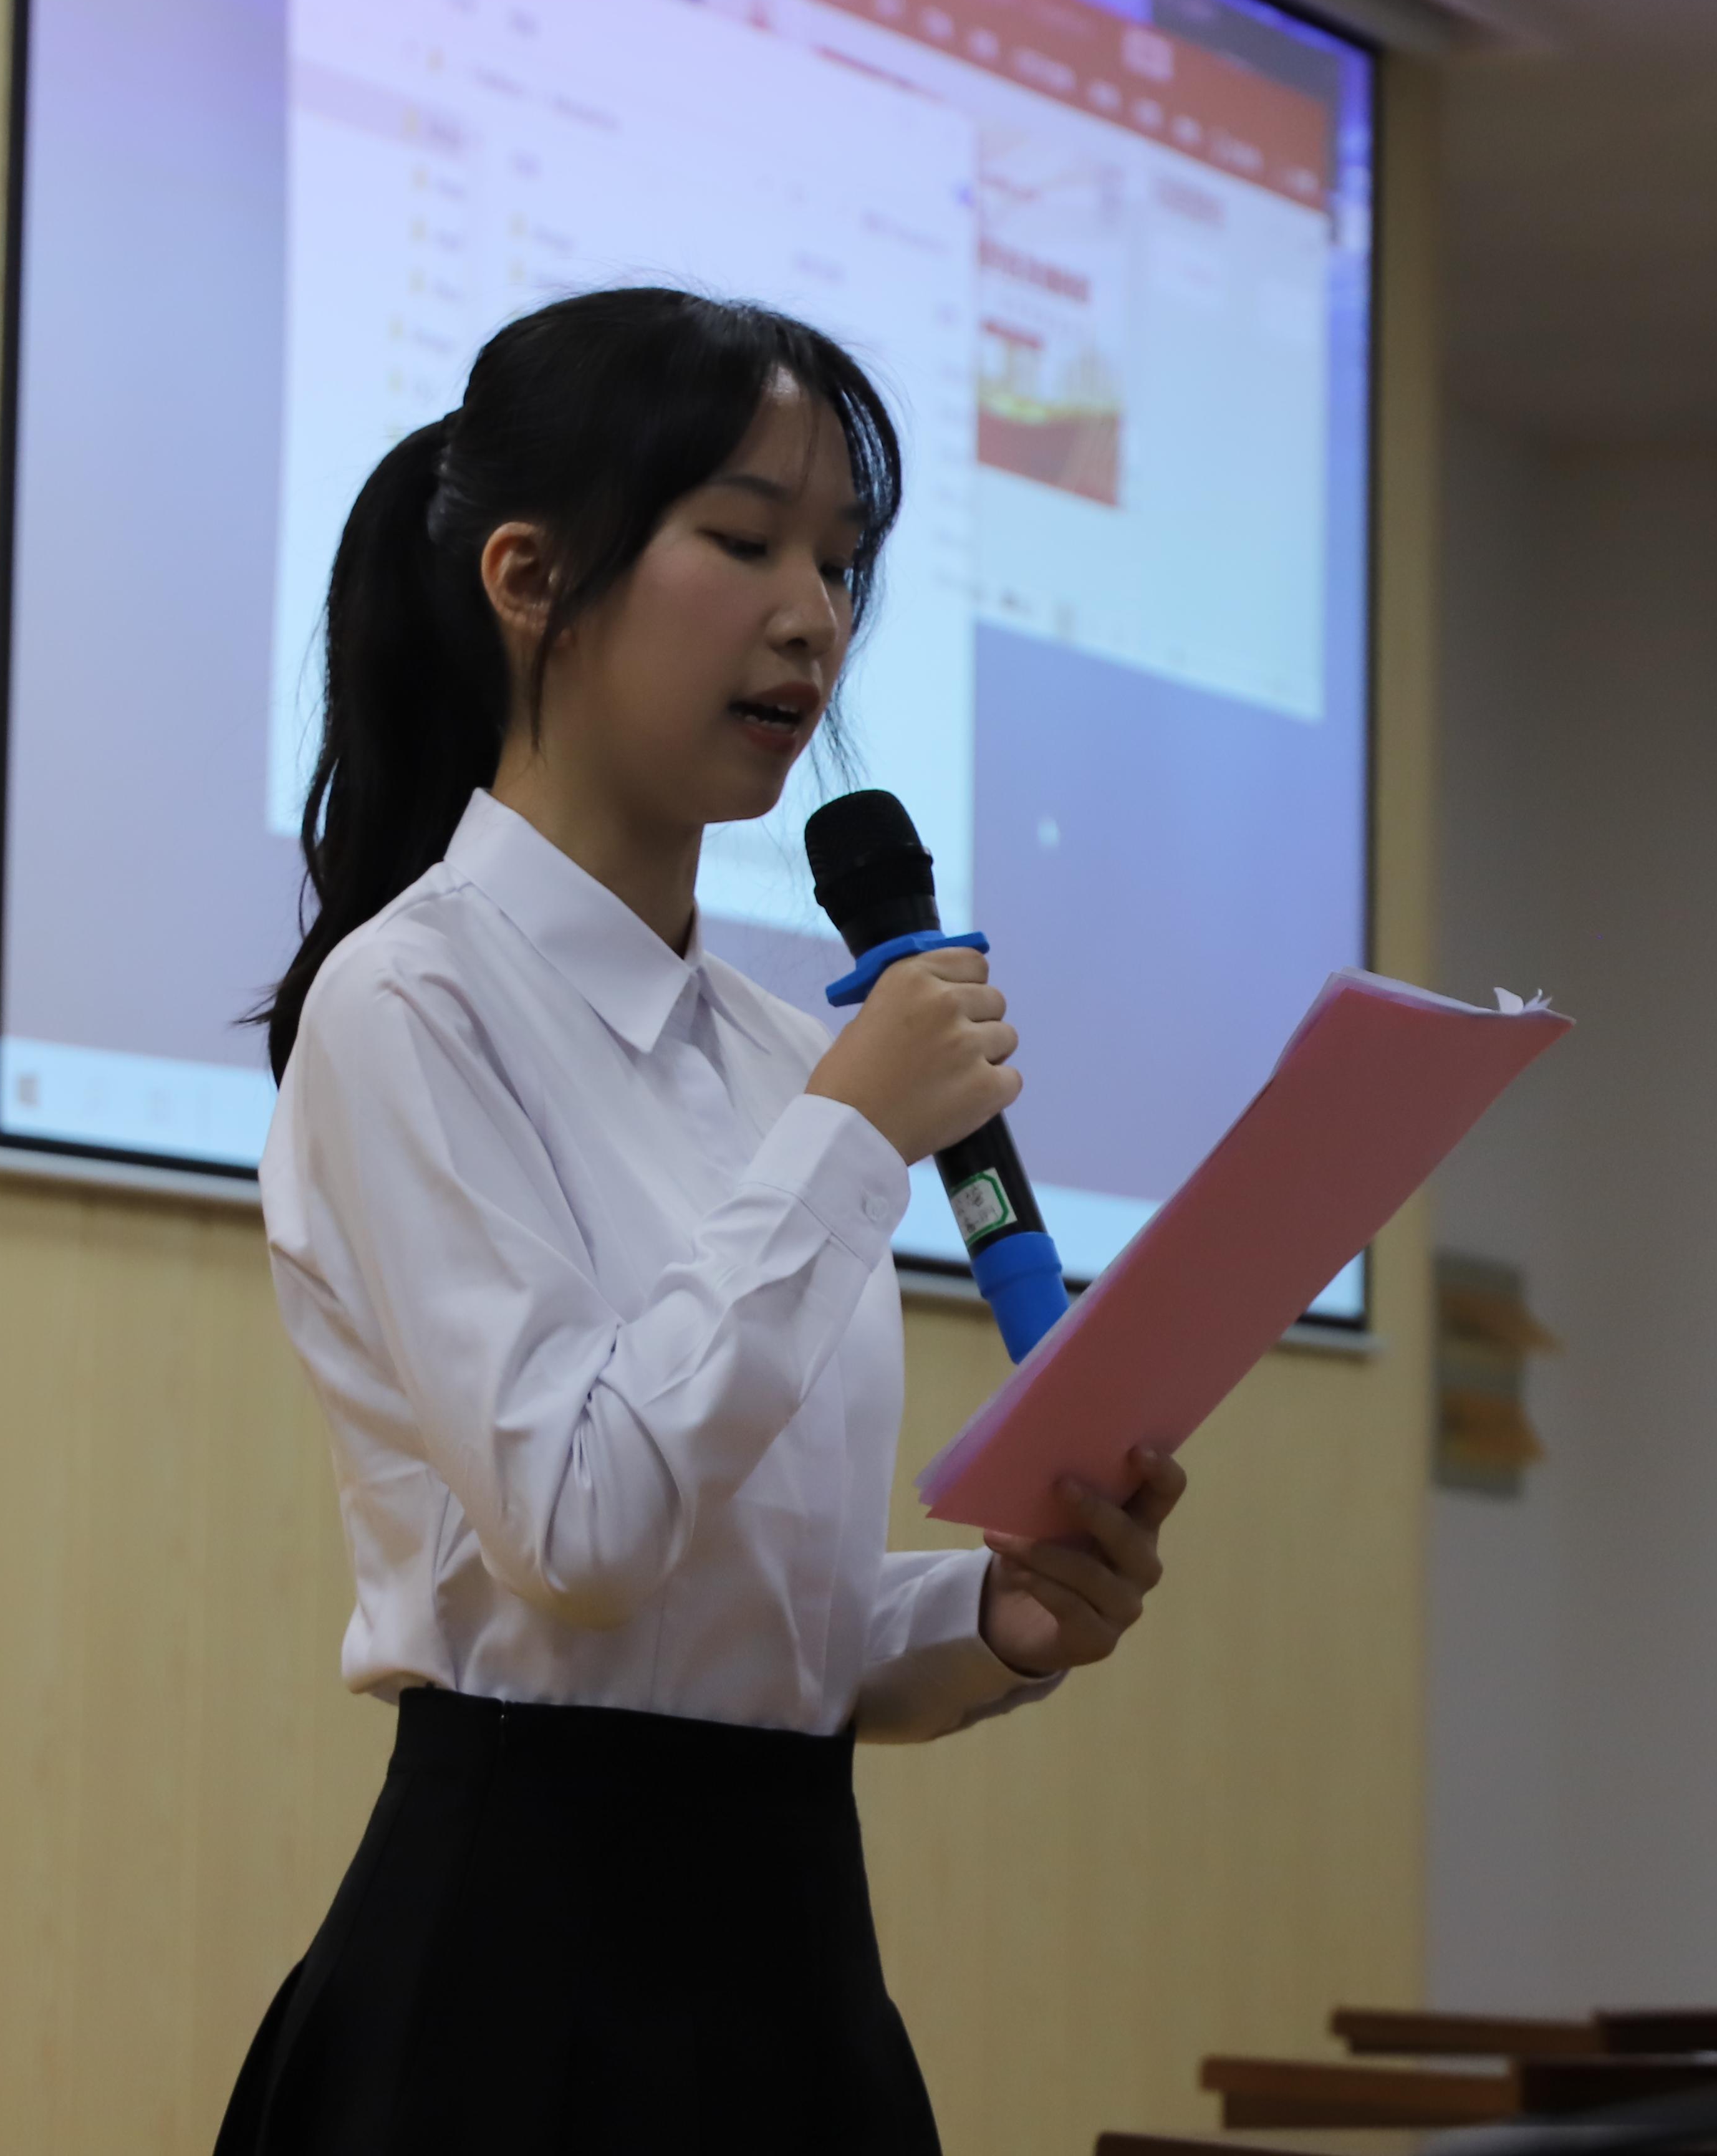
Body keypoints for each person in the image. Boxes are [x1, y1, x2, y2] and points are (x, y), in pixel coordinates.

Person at [218, 287, 1187, 2156]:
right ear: (530, 580)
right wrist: (851, 1138)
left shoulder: (784, 1059)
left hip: (797, 1977)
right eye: (745, 542)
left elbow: (756, 1625)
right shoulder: (411, 1001)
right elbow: (582, 1531)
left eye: (843, 562)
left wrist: (994, 1615)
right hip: (512, 1989)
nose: (813, 616)